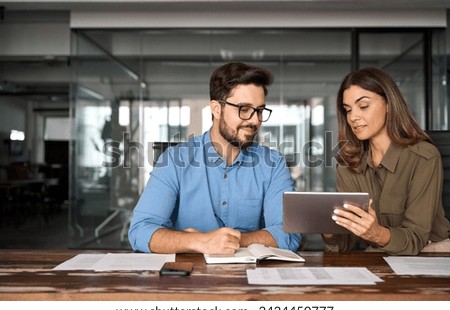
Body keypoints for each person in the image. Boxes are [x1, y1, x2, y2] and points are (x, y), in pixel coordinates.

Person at [128, 62, 301, 254]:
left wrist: (229, 240)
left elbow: (289, 235)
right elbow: (140, 232)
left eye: (259, 110)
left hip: (251, 279)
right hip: (187, 280)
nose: (255, 120)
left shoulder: (273, 165)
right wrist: (200, 242)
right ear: (216, 109)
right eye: (244, 109)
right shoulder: (174, 160)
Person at [323, 66, 450, 255]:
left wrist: (376, 234)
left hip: (430, 252)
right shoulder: (348, 165)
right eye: (347, 110)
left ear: (389, 104)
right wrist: (330, 232)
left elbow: (416, 238)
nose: (353, 117)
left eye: (363, 106)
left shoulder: (424, 157)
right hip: (380, 253)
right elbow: (343, 245)